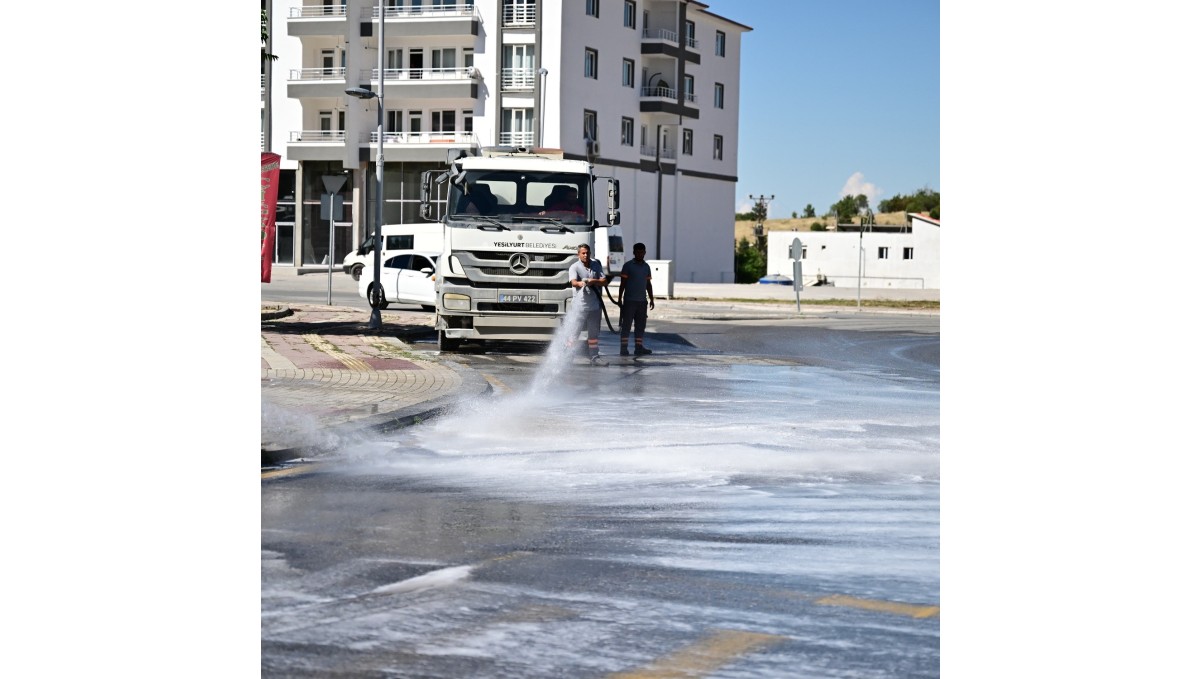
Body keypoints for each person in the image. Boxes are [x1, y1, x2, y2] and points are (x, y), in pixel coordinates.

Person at [567, 242, 608, 365]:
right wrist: (581, 283)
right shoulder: (574, 267)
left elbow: (604, 281)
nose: (585, 255)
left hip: (594, 307)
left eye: (587, 253)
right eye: (583, 253)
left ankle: (594, 357)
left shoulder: (596, 265)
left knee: (593, 335)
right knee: (574, 333)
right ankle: (568, 357)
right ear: (578, 254)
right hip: (579, 307)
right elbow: (573, 282)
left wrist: (593, 281)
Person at [617, 242, 655, 356]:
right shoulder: (628, 266)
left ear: (645, 253)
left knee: (640, 326)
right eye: (637, 252)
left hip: (642, 302)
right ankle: (624, 348)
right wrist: (619, 298)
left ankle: (639, 348)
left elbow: (648, 284)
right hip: (629, 301)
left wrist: (652, 299)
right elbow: (622, 284)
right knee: (626, 326)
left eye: (641, 252)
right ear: (634, 252)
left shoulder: (646, 267)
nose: (639, 254)